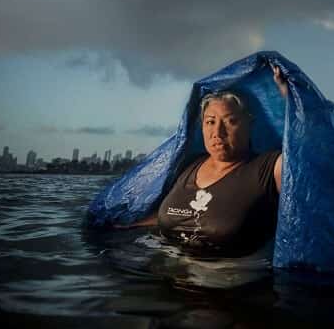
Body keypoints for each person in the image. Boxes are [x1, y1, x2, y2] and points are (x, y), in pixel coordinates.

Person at [120, 64, 288, 257]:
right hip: (166, 273)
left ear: (250, 124)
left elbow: (307, 158)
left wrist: (288, 96)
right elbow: (170, 214)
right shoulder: (190, 164)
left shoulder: (271, 167)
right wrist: (126, 226)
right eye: (210, 122)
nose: (218, 132)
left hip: (229, 280)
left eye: (230, 121)